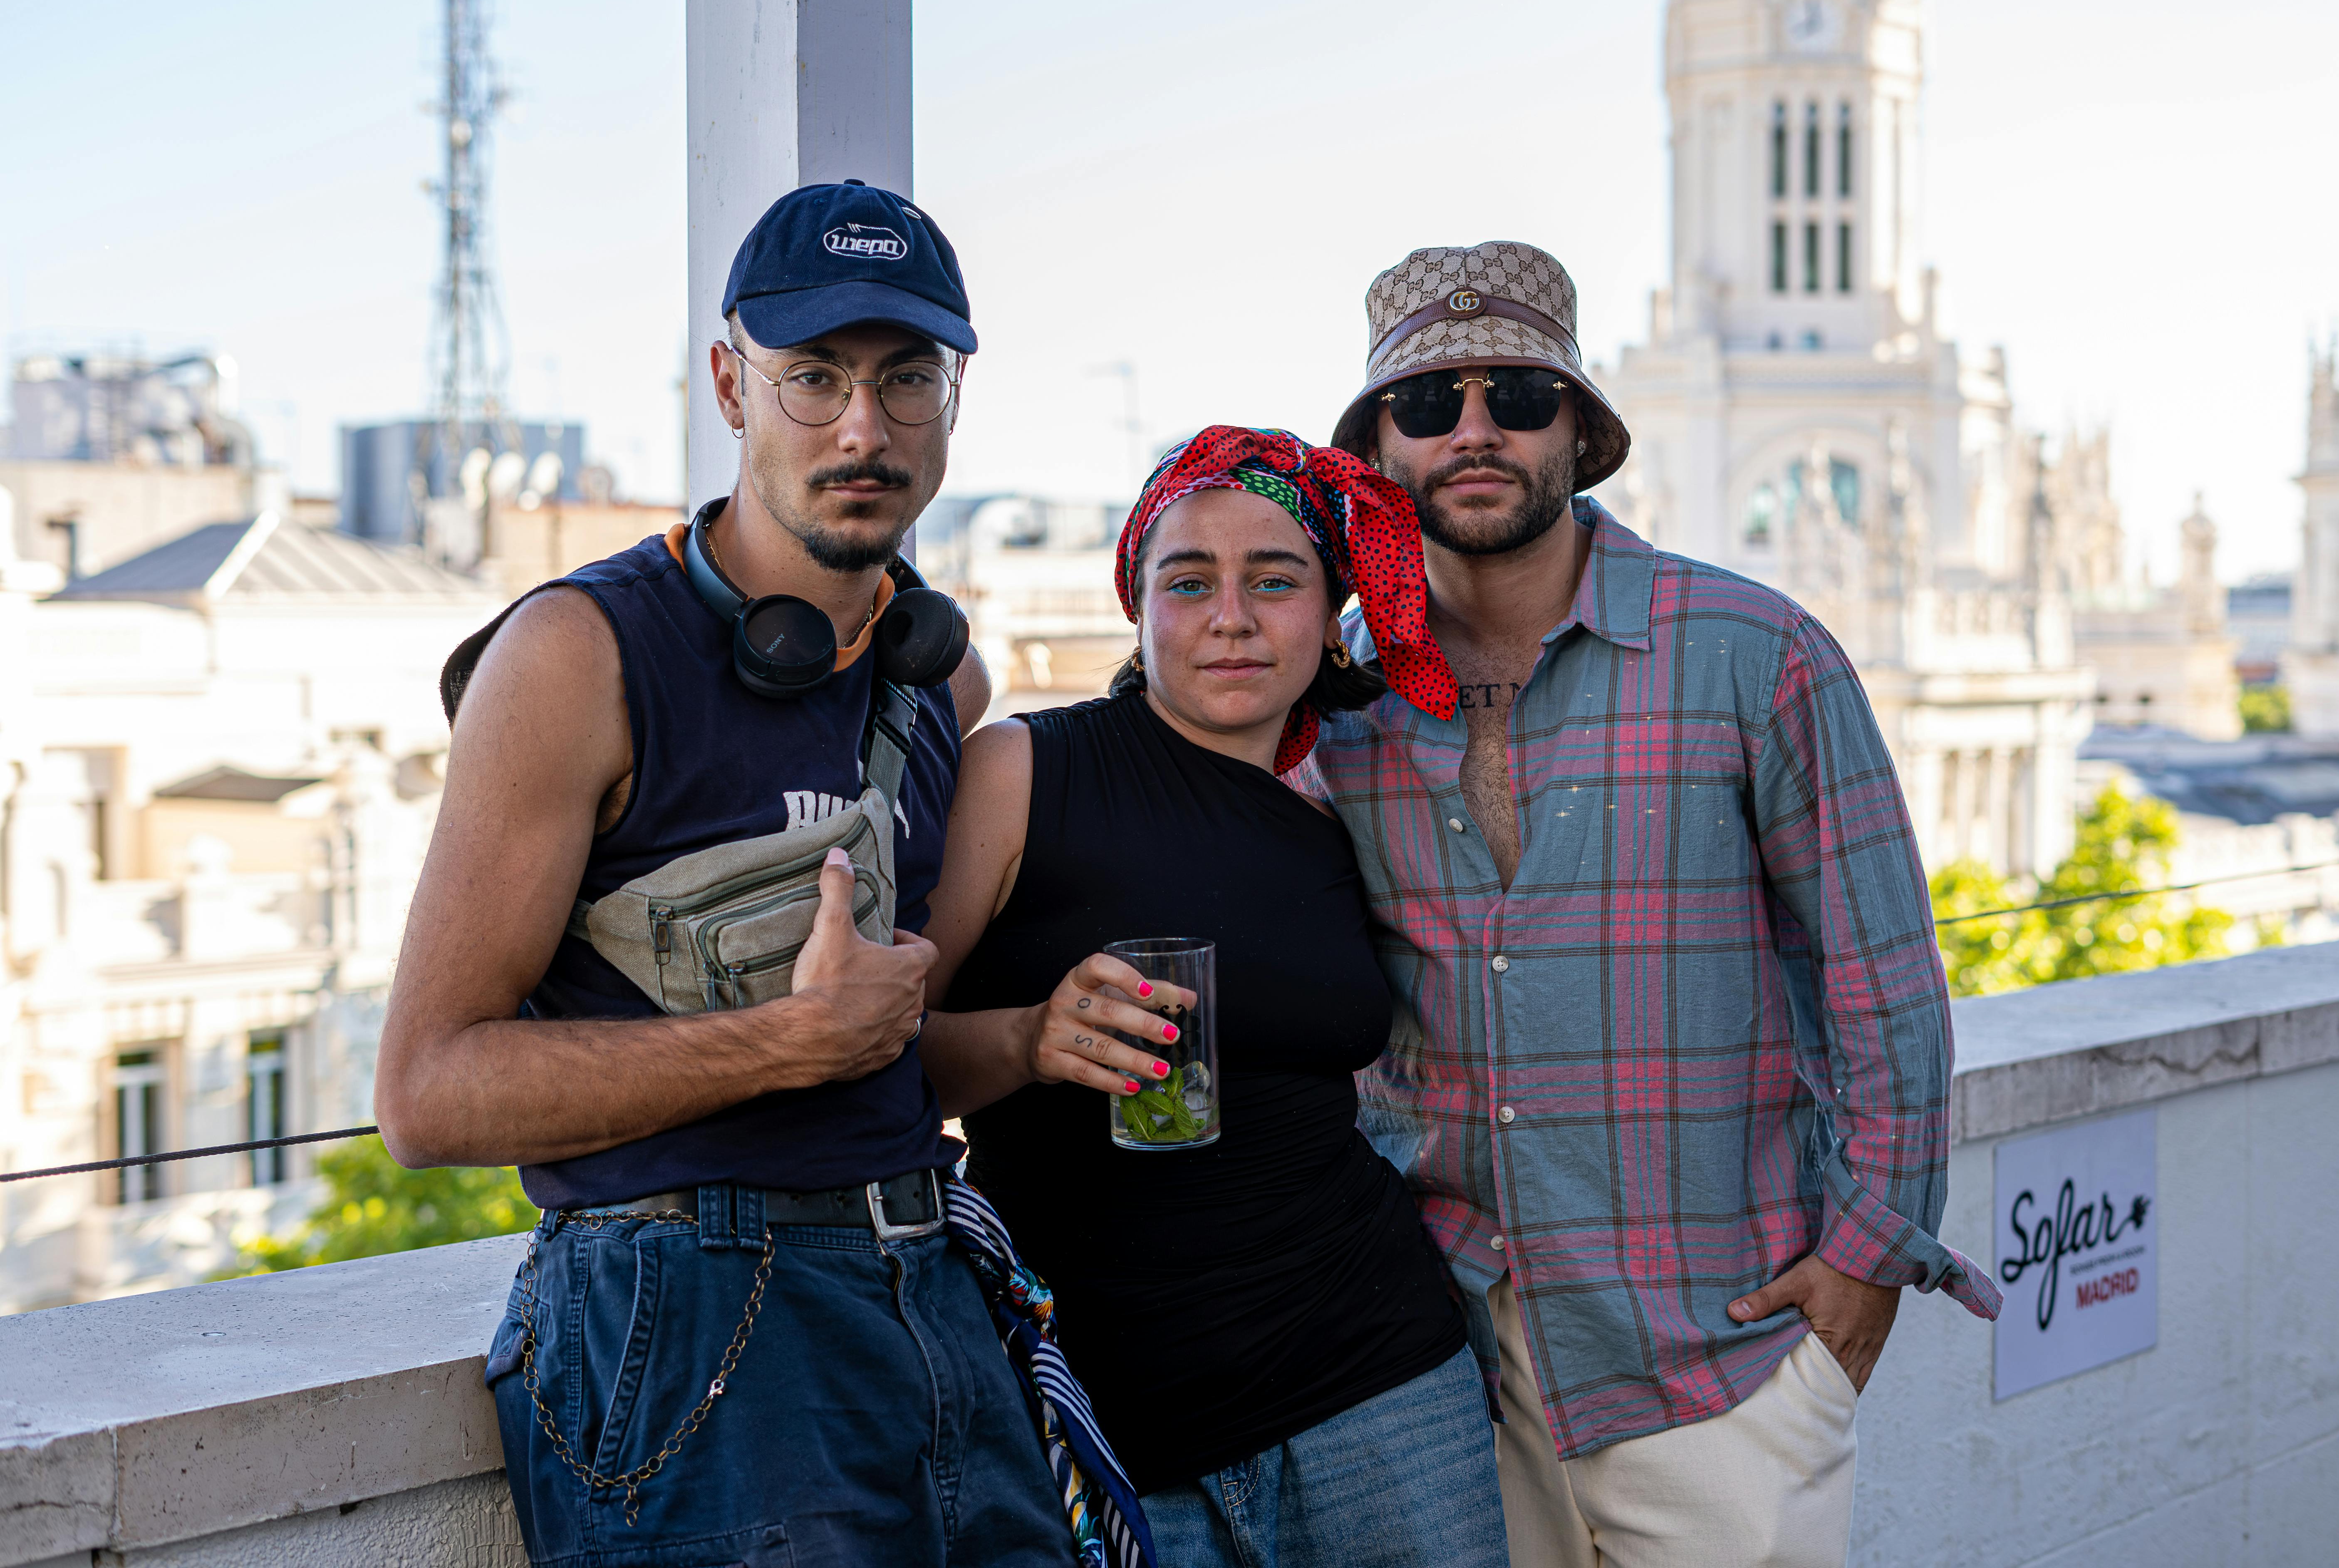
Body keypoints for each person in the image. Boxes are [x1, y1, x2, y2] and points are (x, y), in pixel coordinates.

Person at [374, 181, 1081, 1566]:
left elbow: (882, 1048)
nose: (862, 429)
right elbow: (426, 1094)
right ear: (729, 386)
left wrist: (1031, 1040)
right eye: (812, 378)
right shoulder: (576, 658)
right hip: (685, 1313)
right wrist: (780, 1042)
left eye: (906, 381)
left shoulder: (939, 684)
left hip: (927, 1289)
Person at [1301, 243, 2004, 1568]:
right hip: (1452, 1372)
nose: (1473, 431)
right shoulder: (1332, 697)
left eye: (1516, 395)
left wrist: (1860, 1278)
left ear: (1579, 426)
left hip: (1718, 1364)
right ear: (1376, 449)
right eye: (1428, 403)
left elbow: (1888, 992)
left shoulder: (1755, 654)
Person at [916, 426, 1507, 1568]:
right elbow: (876, 1048)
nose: (1231, 616)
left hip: (1382, 1385)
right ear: (1137, 606)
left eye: (1274, 581)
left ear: (1329, 610)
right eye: (1188, 582)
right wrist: (1031, 1039)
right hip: (1122, 1413)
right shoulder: (1025, 772)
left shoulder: (1348, 809)